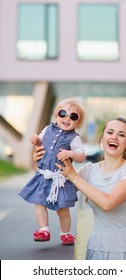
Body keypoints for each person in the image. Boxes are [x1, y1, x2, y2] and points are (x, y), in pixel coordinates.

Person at [34, 117, 126, 260]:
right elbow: (53, 189)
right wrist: (40, 164)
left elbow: (108, 203)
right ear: (102, 138)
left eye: (121, 134)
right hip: (97, 249)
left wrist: (74, 177)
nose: (114, 137)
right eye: (110, 132)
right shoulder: (89, 170)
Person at [19, 98, 86, 246]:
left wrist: (71, 154)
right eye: (63, 113)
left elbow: (81, 156)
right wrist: (36, 141)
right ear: (56, 116)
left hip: (60, 179)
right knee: (39, 203)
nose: (67, 118)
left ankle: (66, 234)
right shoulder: (47, 129)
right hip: (43, 176)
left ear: (78, 122)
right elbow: (40, 143)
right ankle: (44, 230)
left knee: (63, 209)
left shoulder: (74, 138)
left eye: (73, 116)